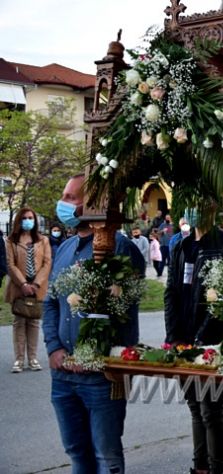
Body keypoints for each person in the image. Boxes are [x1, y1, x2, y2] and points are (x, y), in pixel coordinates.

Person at [44, 173, 145, 473]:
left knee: (106, 457)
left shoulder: (120, 248)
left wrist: (95, 356)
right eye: (64, 196)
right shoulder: (64, 248)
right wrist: (53, 349)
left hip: (102, 376)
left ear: (94, 203)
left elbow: (123, 312)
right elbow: (50, 302)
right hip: (63, 374)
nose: (63, 203)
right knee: (76, 452)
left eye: (71, 198)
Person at [164, 207, 223, 474]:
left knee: (211, 410)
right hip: (182, 339)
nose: (195, 210)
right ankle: (199, 467)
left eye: (201, 203)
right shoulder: (180, 246)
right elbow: (171, 291)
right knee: (195, 407)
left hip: (210, 341)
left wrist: (202, 338)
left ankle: (216, 468)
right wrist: (174, 337)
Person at [5, 207, 51, 372]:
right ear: (19, 220)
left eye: (31, 217)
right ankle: (19, 360)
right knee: (19, 322)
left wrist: (36, 284)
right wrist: (23, 284)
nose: (28, 221)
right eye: (24, 218)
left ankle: (32, 358)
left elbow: (47, 263)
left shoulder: (42, 240)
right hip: (19, 287)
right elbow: (10, 265)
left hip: (37, 287)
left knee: (33, 322)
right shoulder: (11, 241)